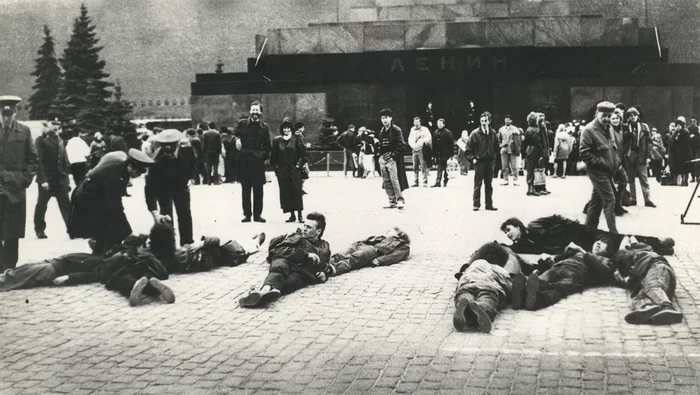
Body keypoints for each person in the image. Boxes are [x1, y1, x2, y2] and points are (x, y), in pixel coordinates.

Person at [68, 149, 154, 255]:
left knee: (109, 232)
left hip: (94, 194)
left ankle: (100, 256)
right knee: (109, 232)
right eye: (138, 173)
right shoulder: (114, 176)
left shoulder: (122, 161)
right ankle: (102, 260)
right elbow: (115, 207)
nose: (138, 176)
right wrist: (128, 232)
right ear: (131, 167)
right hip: (87, 199)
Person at [239, 212, 330, 308]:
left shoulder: (324, 246)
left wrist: (324, 274)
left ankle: (259, 295)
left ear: (318, 231)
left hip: (301, 273)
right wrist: (305, 255)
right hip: (285, 261)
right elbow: (278, 250)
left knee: (292, 283)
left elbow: (326, 264)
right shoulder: (297, 236)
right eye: (304, 226)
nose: (304, 229)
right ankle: (264, 291)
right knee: (279, 268)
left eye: (308, 227)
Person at [511, 236, 619, 311]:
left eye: (603, 242)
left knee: (558, 289)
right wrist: (560, 255)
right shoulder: (579, 252)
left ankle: (530, 297)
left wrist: (581, 250)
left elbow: (601, 270)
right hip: (556, 268)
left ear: (608, 250)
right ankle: (523, 296)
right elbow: (557, 259)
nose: (598, 242)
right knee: (537, 283)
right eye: (597, 241)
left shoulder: (606, 260)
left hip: (572, 274)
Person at [500, 215, 675, 256]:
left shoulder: (534, 225)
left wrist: (570, 223)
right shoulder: (523, 244)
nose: (508, 234)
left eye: (509, 230)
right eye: (506, 233)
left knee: (613, 237)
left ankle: (657, 242)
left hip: (576, 230)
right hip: (573, 244)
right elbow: (507, 250)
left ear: (518, 226)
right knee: (605, 250)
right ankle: (658, 250)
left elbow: (555, 217)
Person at [0, 96, 39, 271]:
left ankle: (9, 266)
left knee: (12, 230)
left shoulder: (24, 131)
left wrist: (25, 180)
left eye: (9, 115)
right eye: (3, 115)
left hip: (15, 187)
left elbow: (33, 158)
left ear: (15, 113)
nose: (6, 118)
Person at [145, 222, 265, 275]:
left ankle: (254, 239)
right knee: (249, 246)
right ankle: (257, 240)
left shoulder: (167, 258)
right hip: (229, 251)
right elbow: (218, 241)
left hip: (222, 249)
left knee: (243, 243)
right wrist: (201, 245)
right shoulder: (184, 256)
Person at [144, 129, 196, 246]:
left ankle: (187, 242)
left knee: (184, 214)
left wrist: (191, 178)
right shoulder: (156, 158)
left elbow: (193, 163)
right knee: (166, 215)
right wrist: (153, 210)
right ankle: (169, 243)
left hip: (181, 185)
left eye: (171, 150)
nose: (168, 152)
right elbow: (149, 187)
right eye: (165, 148)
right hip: (164, 188)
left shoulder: (187, 151)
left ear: (177, 144)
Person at [613, 237, 682, 325]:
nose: (631, 268)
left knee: (652, 285)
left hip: (658, 268)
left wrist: (626, 280)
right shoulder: (638, 265)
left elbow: (635, 275)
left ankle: (667, 307)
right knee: (637, 297)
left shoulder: (644, 256)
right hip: (661, 284)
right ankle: (647, 308)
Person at [580, 101, 619, 233]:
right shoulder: (589, 130)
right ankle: (614, 234)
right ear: (597, 113)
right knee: (610, 199)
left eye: (610, 115)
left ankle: (588, 232)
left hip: (608, 172)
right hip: (597, 172)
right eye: (604, 115)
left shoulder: (609, 129)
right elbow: (584, 153)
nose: (607, 119)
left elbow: (613, 149)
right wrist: (602, 164)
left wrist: (616, 165)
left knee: (596, 202)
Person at [234, 101, 272, 223]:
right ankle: (247, 215)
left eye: (257, 110)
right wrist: (237, 139)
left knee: (258, 191)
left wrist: (262, 156)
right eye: (253, 110)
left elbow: (268, 146)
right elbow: (233, 135)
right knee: (245, 189)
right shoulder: (242, 124)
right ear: (250, 111)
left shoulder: (264, 127)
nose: (255, 112)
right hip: (244, 162)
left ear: (260, 113)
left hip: (258, 163)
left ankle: (257, 215)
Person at [34, 120, 71, 239]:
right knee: (42, 205)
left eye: (58, 125)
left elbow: (64, 160)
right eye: (53, 124)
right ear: (48, 126)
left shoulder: (60, 140)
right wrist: (43, 180)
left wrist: (67, 180)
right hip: (47, 180)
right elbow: (38, 162)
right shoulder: (41, 141)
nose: (56, 127)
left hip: (61, 180)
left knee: (67, 205)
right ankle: (39, 229)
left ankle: (72, 229)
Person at [327, 227, 410, 276]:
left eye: (392, 231)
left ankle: (332, 269)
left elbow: (395, 256)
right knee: (341, 254)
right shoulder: (383, 237)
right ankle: (325, 263)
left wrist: (380, 260)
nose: (389, 231)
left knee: (352, 259)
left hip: (373, 250)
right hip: (361, 245)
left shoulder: (403, 245)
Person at [270, 118, 307, 223]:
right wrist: (277, 170)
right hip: (283, 171)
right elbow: (274, 157)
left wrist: (298, 165)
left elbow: (303, 153)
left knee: (297, 191)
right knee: (286, 192)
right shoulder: (277, 141)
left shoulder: (297, 138)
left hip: (295, 170)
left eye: (288, 128)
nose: (286, 130)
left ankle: (300, 215)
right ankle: (291, 215)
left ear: (291, 129)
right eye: (284, 128)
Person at [465, 111, 499, 211]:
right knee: (477, 184)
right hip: (479, 162)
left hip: (489, 162)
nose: (483, 123)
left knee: (489, 184)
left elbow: (496, 146)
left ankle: (489, 204)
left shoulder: (493, 133)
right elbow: (468, 149)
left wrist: (494, 157)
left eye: (485, 121)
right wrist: (473, 159)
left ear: (489, 121)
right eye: (482, 121)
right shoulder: (475, 134)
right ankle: (476, 204)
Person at [623, 107, 655, 207]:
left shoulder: (644, 127)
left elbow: (649, 142)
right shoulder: (625, 127)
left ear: (638, 116)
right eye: (630, 116)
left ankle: (647, 199)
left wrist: (649, 155)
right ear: (628, 117)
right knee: (630, 178)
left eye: (634, 115)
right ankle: (633, 198)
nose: (632, 117)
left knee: (643, 177)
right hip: (630, 154)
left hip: (642, 154)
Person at [377, 108, 409, 209]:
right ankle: (391, 201)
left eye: (386, 117)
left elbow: (401, 144)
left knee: (395, 179)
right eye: (382, 118)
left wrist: (393, 155)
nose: (384, 120)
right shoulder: (382, 131)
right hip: (383, 159)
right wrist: (380, 156)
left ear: (391, 118)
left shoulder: (396, 130)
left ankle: (400, 200)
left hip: (392, 159)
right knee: (386, 180)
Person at [523, 112, 543, 196]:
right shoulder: (536, 129)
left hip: (529, 149)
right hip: (535, 149)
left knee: (529, 169)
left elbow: (525, 141)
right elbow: (538, 141)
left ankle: (530, 188)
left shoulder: (528, 129)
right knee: (533, 168)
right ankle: (531, 189)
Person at [408, 117, 432, 187]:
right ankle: (416, 181)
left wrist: (421, 142)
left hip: (421, 149)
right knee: (415, 166)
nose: (416, 124)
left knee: (423, 165)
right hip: (414, 150)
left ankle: (425, 181)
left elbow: (428, 138)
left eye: (417, 122)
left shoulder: (425, 129)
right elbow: (410, 138)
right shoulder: (412, 129)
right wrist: (412, 145)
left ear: (420, 122)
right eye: (415, 122)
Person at [669, 116, 692, 186]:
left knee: (684, 167)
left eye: (679, 125)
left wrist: (677, 139)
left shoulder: (685, 131)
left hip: (684, 153)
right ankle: (675, 180)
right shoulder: (676, 132)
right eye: (677, 126)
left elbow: (685, 142)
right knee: (676, 166)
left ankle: (684, 181)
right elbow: (671, 140)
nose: (678, 127)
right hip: (678, 153)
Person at [431, 118, 454, 188]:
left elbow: (451, 144)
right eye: (438, 124)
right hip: (438, 154)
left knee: (443, 168)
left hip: (445, 154)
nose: (439, 125)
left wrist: (451, 154)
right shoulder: (435, 133)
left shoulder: (448, 133)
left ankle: (442, 181)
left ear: (444, 124)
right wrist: (433, 155)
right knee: (440, 167)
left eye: (441, 124)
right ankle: (440, 181)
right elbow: (434, 144)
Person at [498, 115, 520, 185]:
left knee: (514, 165)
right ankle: (505, 179)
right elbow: (498, 139)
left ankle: (515, 179)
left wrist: (517, 149)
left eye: (508, 120)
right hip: (504, 148)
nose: (507, 121)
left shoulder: (515, 129)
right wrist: (501, 145)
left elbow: (518, 139)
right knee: (504, 165)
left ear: (511, 121)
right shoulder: (501, 129)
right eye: (506, 120)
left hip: (512, 148)